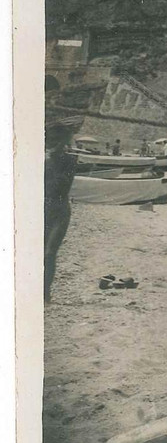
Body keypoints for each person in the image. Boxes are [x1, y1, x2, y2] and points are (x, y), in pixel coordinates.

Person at [44, 117, 80, 303]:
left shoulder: (70, 160)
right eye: (51, 140)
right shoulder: (39, 158)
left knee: (49, 253)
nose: (54, 144)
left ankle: (45, 293)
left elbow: (62, 186)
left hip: (59, 210)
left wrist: (52, 161)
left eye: (58, 140)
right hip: (40, 208)